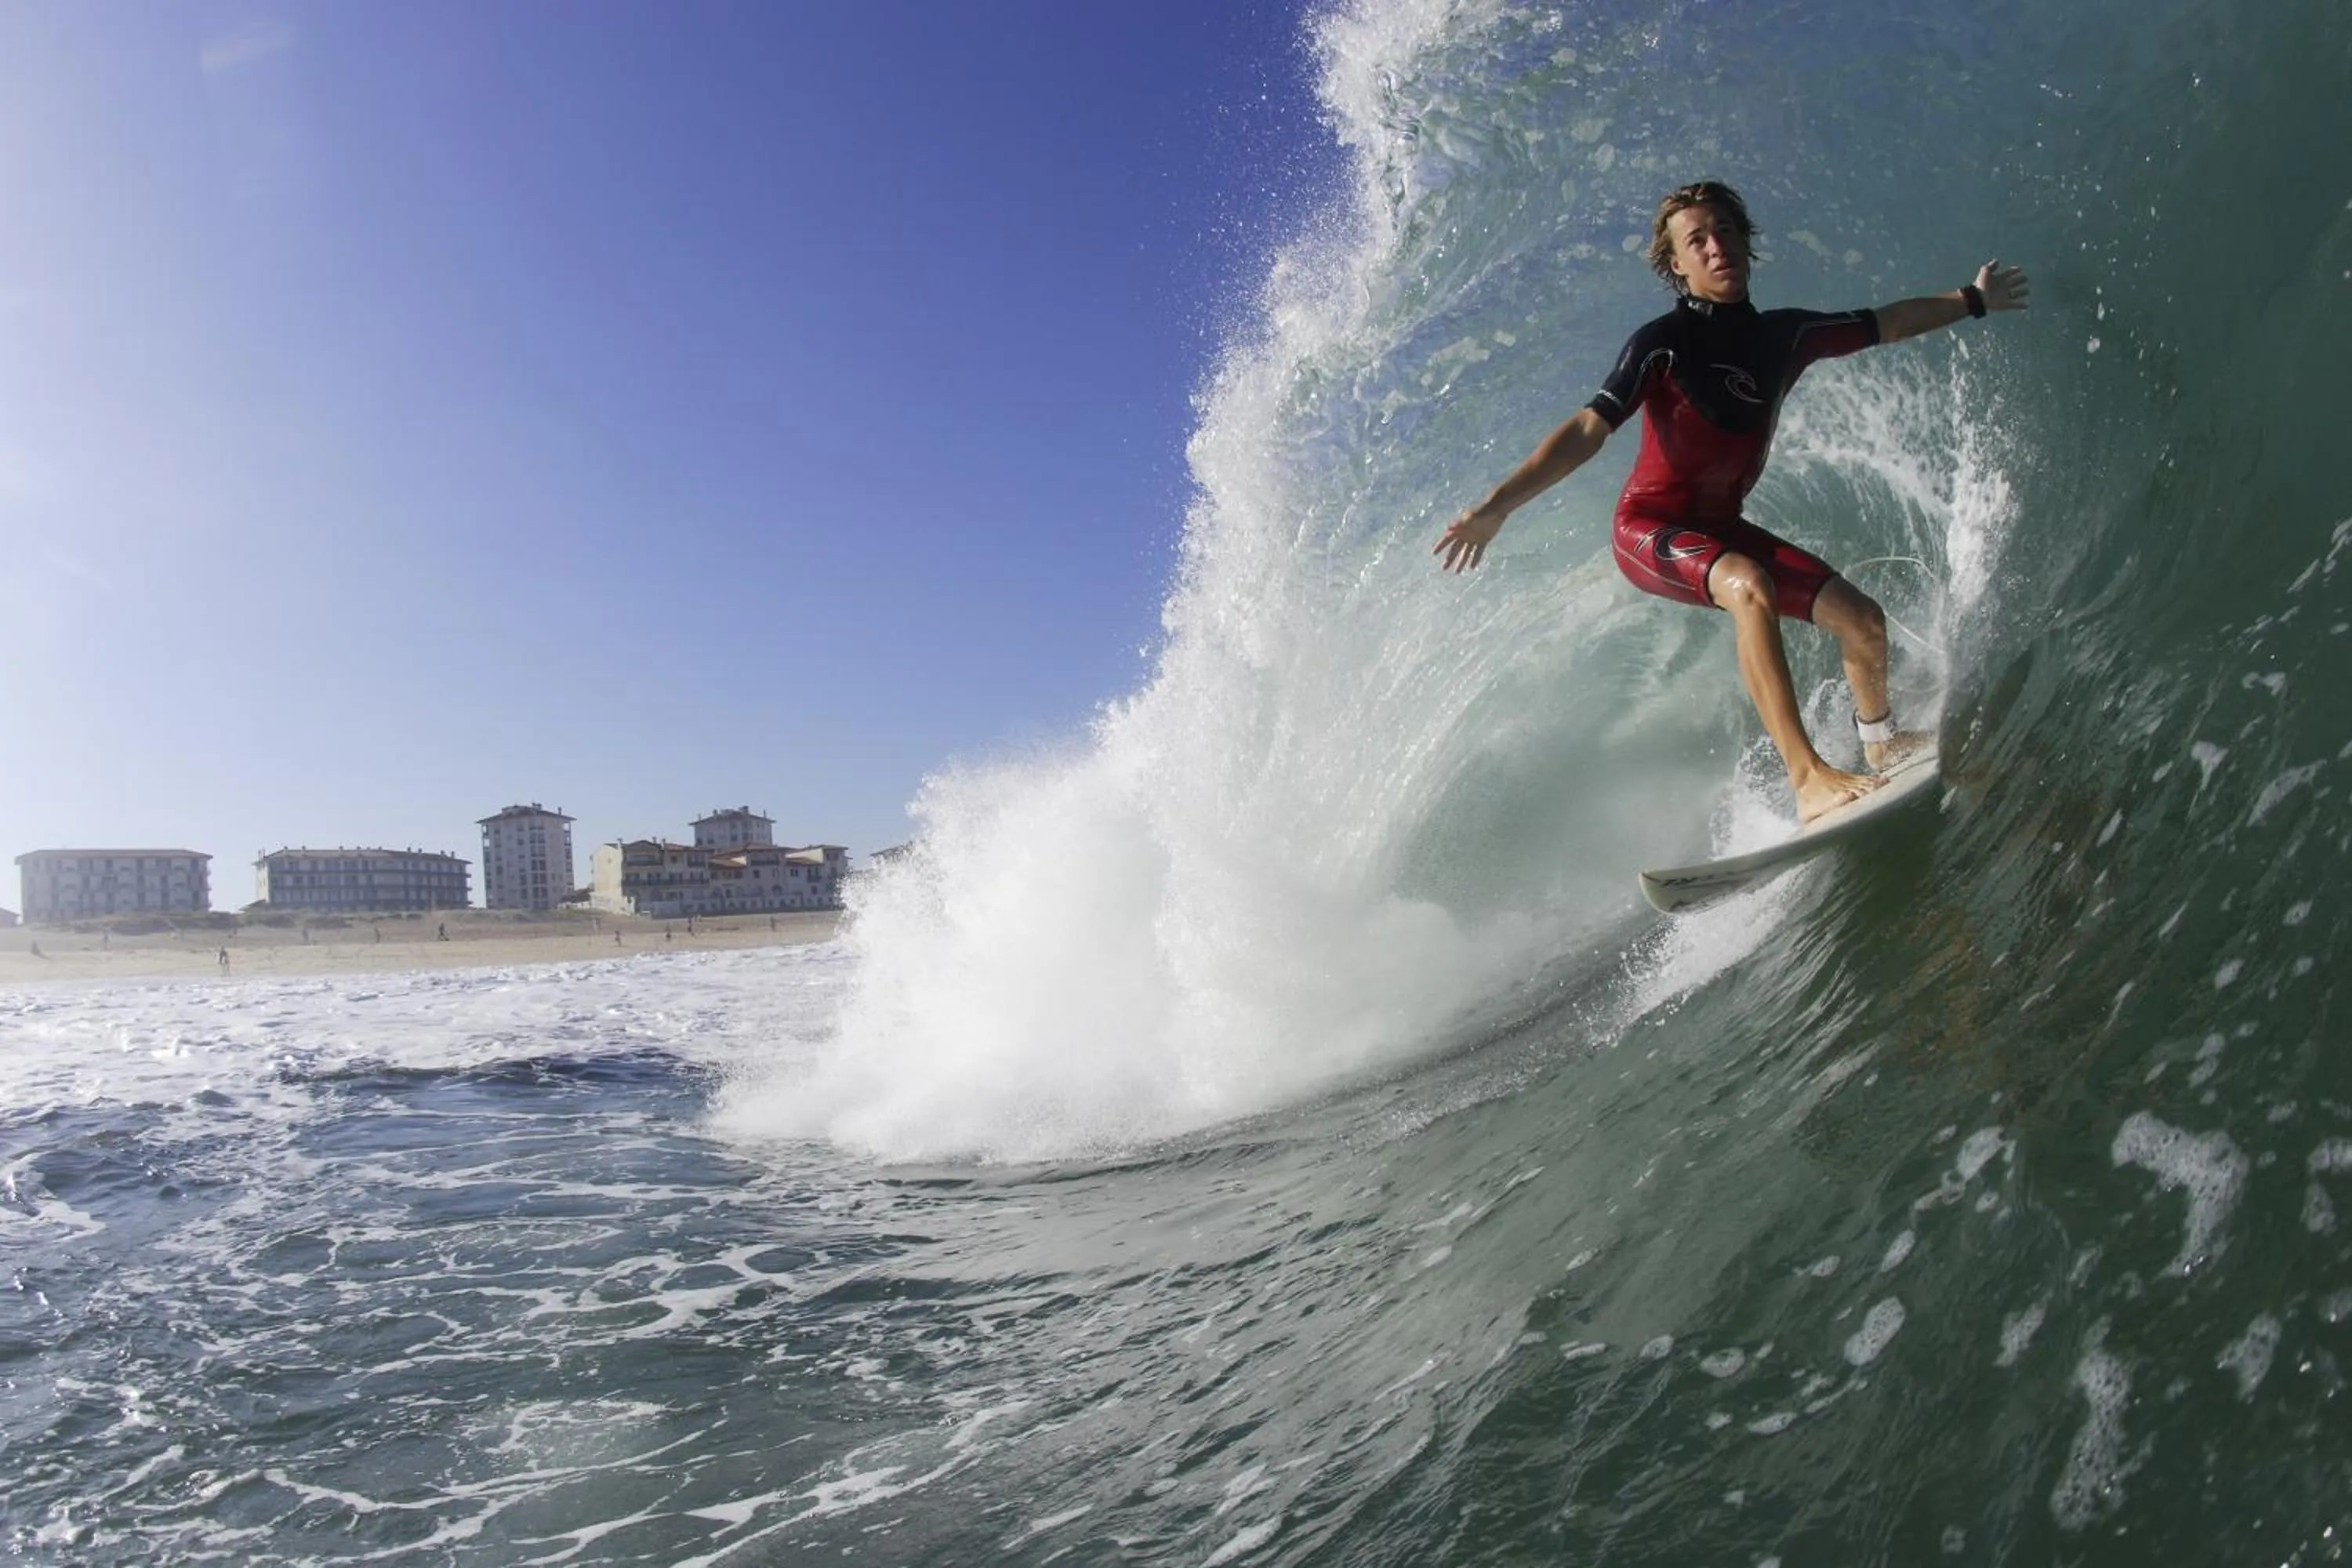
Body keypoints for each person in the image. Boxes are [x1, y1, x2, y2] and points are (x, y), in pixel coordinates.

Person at [1436, 180, 2029, 822]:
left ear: (1746, 242)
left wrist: (1972, 300)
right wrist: (1498, 506)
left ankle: (1881, 745)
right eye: (1697, 240)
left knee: (1862, 620)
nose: (1717, 247)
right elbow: (1588, 429)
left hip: (1722, 526)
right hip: (1649, 529)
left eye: (1726, 231)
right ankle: (1808, 780)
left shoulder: (1787, 335)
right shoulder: (1660, 344)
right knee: (1749, 586)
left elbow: (1884, 322)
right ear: (1677, 266)